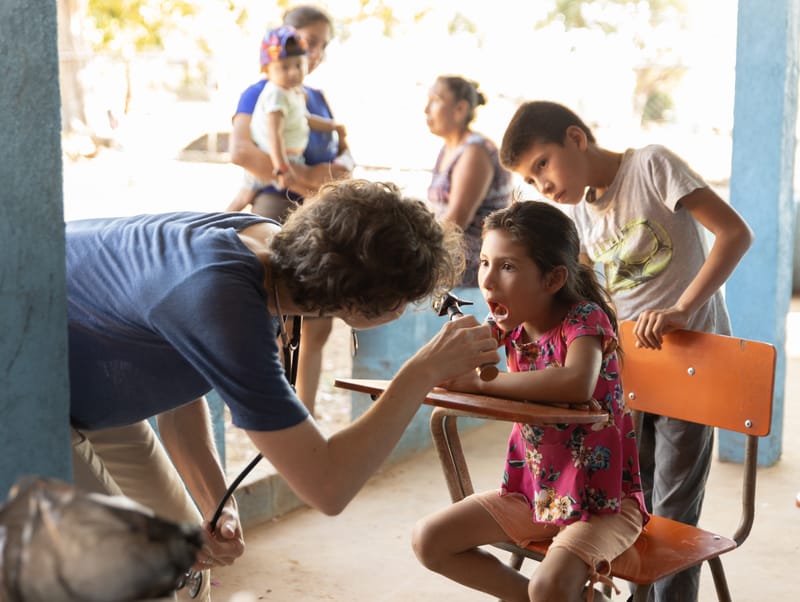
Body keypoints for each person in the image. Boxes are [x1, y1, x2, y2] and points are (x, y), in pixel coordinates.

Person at [68, 179, 499, 599]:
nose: (402, 310)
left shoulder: (266, 247)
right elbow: (327, 487)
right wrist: (421, 372)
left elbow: (180, 397)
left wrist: (218, 505)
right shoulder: (224, 298)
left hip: (90, 391)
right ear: (354, 302)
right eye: (401, 300)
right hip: (27, 390)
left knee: (187, 567)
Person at [498, 100, 754, 602]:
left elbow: (735, 234)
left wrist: (682, 307)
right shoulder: (579, 215)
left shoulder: (651, 165)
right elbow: (588, 298)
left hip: (693, 367)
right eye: (531, 180)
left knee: (675, 513)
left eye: (542, 164)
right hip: (629, 375)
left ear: (576, 137)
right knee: (625, 507)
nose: (543, 185)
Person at [412, 201, 649, 602]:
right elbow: (455, 373)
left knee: (549, 587)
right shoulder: (507, 327)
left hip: (603, 503)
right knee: (429, 540)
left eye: (508, 267)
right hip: (535, 495)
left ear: (554, 278)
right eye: (485, 262)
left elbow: (576, 383)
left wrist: (483, 384)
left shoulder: (584, 320)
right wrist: (447, 367)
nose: (488, 281)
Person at [228, 5, 351, 412]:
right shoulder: (261, 91)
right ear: (286, 37)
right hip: (278, 205)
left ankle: (307, 412)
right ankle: (277, 414)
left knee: (318, 320)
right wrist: (301, 178)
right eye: (310, 42)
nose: (314, 53)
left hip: (319, 211)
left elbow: (344, 160)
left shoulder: (314, 98)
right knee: (280, 315)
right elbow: (242, 151)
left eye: (322, 46)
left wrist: (319, 178)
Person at [228, 25, 346, 211]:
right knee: (312, 196)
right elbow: (275, 134)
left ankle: (212, 226)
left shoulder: (293, 92)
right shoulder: (276, 94)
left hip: (289, 159)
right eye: (284, 67)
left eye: (298, 65)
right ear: (267, 69)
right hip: (281, 161)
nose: (293, 72)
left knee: (242, 198)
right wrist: (282, 168)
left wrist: (332, 126)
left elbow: (305, 119)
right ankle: (210, 228)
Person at [425, 75, 512, 287]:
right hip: (449, 257)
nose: (426, 109)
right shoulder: (448, 149)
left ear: (460, 109)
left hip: (473, 267)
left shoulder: (475, 151)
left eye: (435, 100)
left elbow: (455, 221)